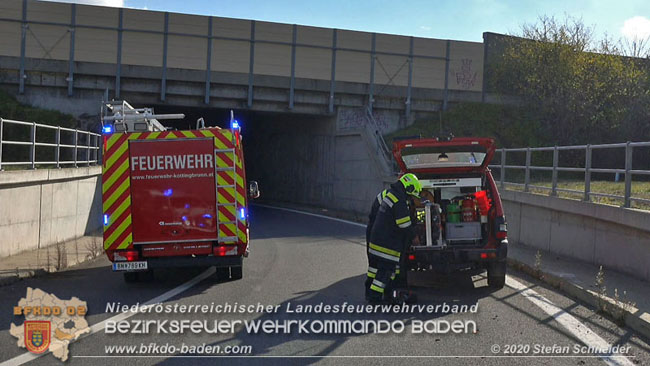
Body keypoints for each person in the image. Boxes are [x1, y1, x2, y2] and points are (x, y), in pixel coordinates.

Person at [366, 173, 422, 303]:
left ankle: (386, 295)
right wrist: (414, 237)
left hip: (377, 241)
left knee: (377, 270)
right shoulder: (399, 200)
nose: (410, 199)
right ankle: (375, 298)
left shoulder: (392, 194)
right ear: (408, 189)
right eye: (411, 195)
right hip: (386, 245)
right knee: (385, 272)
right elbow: (404, 224)